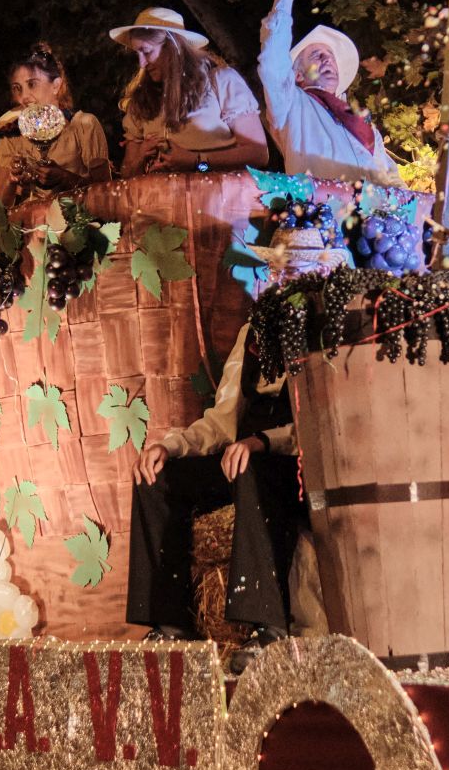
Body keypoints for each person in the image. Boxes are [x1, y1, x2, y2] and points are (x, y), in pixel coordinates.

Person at [126, 241, 346, 658]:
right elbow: (221, 419)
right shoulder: (254, 334)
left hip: (297, 465)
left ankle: (269, 627)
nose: (284, 279)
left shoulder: (327, 330)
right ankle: (169, 624)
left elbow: (324, 425)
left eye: (295, 271)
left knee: (251, 468)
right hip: (243, 459)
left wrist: (262, 441)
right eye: (279, 270)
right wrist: (170, 447)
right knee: (157, 479)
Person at [255, 0, 404, 186]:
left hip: (374, 217)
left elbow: (391, 178)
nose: (327, 60)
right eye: (316, 55)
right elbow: (272, 61)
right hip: (322, 216)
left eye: (330, 56)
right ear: (297, 74)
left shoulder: (358, 118)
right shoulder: (290, 104)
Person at [111, 7, 268, 176]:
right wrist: (140, 157)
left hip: (215, 199)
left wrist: (198, 162)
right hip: (160, 200)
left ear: (173, 47)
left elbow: (258, 154)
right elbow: (128, 173)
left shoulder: (221, 81)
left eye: (147, 51)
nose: (142, 63)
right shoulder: (141, 99)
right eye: (138, 54)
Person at [0, 42, 111, 204]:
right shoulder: (11, 136)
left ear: (56, 85)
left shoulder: (83, 125)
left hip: (79, 223)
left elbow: (106, 191)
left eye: (32, 84)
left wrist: (65, 178)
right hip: (32, 225)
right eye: (18, 88)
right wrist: (12, 180)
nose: (24, 97)